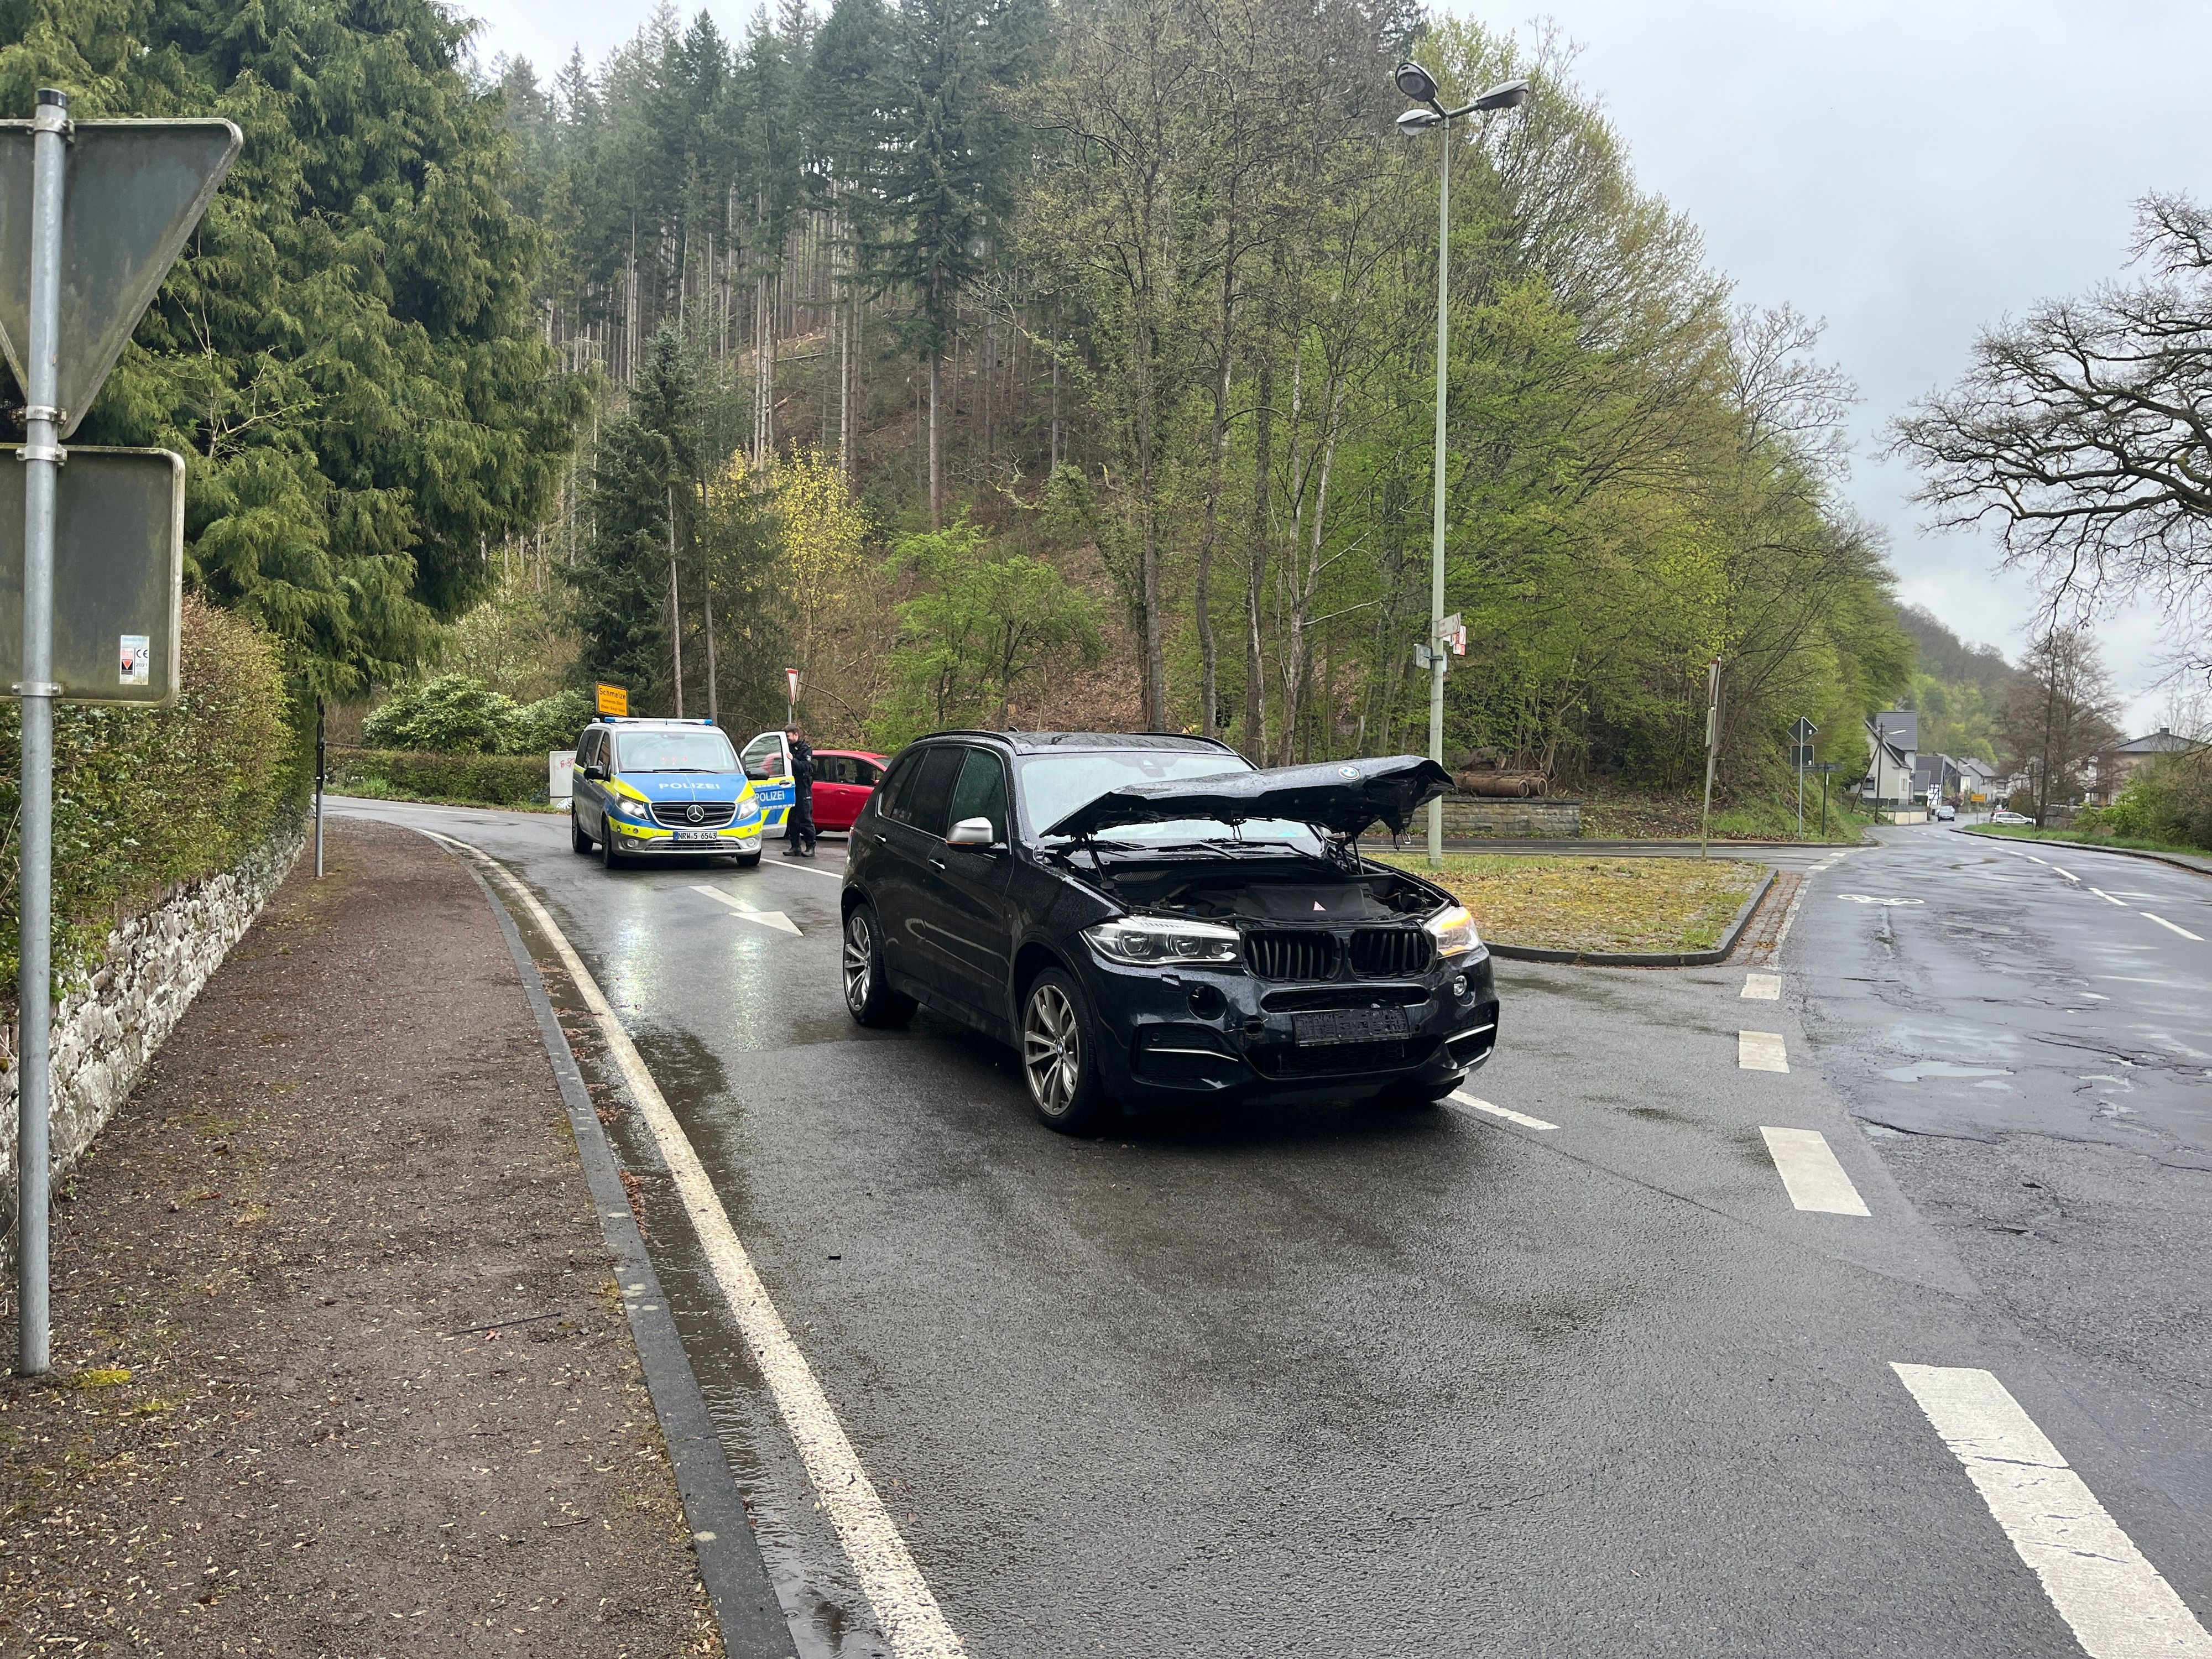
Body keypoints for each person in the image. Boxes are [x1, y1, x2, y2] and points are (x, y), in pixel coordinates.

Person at [783, 727, 816, 857]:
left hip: (803, 787)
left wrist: (793, 759)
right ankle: (795, 847)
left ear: (796, 735)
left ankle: (810, 847)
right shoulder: (787, 749)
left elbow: (805, 767)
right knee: (793, 819)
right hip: (791, 787)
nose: (787, 739)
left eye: (789, 736)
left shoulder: (805, 749)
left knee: (805, 818)